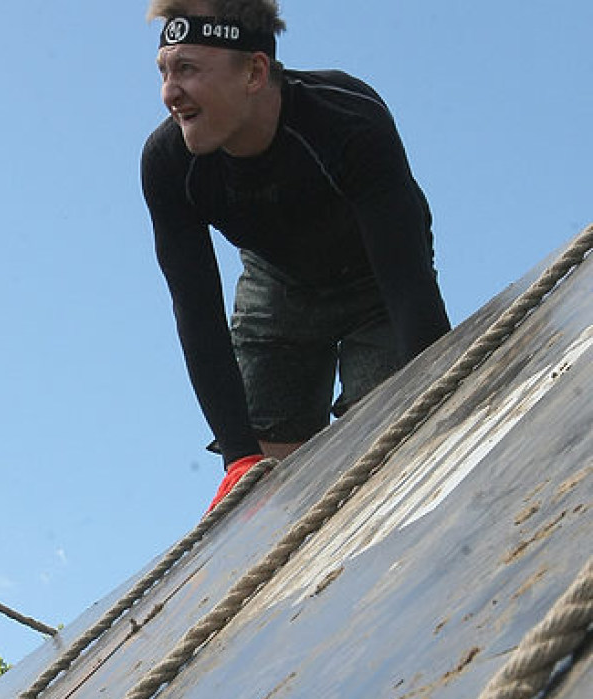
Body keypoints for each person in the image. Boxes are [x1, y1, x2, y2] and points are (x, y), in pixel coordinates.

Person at [140, 0, 451, 509]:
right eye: (164, 71)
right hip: (277, 286)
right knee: (268, 488)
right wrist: (239, 455)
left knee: (403, 438)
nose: (170, 93)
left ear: (255, 72)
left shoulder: (346, 118)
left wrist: (439, 388)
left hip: (377, 283)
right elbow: (196, 312)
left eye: (188, 70)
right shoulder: (168, 164)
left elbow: (408, 280)